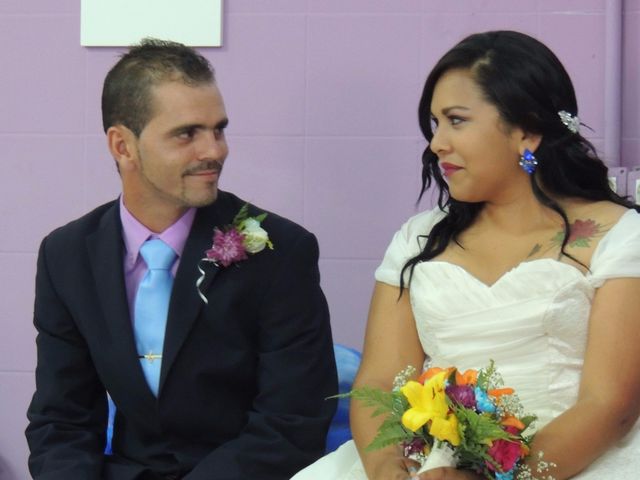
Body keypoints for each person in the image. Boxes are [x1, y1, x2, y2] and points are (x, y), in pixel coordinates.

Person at [292, 30, 640, 479]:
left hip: (577, 460)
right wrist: (388, 471)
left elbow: (610, 402)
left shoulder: (620, 237)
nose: (437, 143)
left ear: (527, 131)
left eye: (456, 120)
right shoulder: (419, 238)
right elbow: (379, 382)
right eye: (435, 124)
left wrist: (496, 477)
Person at [25, 38, 338, 480]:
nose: (214, 150)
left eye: (219, 129)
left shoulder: (280, 251)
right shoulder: (66, 256)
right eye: (187, 133)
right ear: (122, 146)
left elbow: (292, 424)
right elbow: (62, 421)